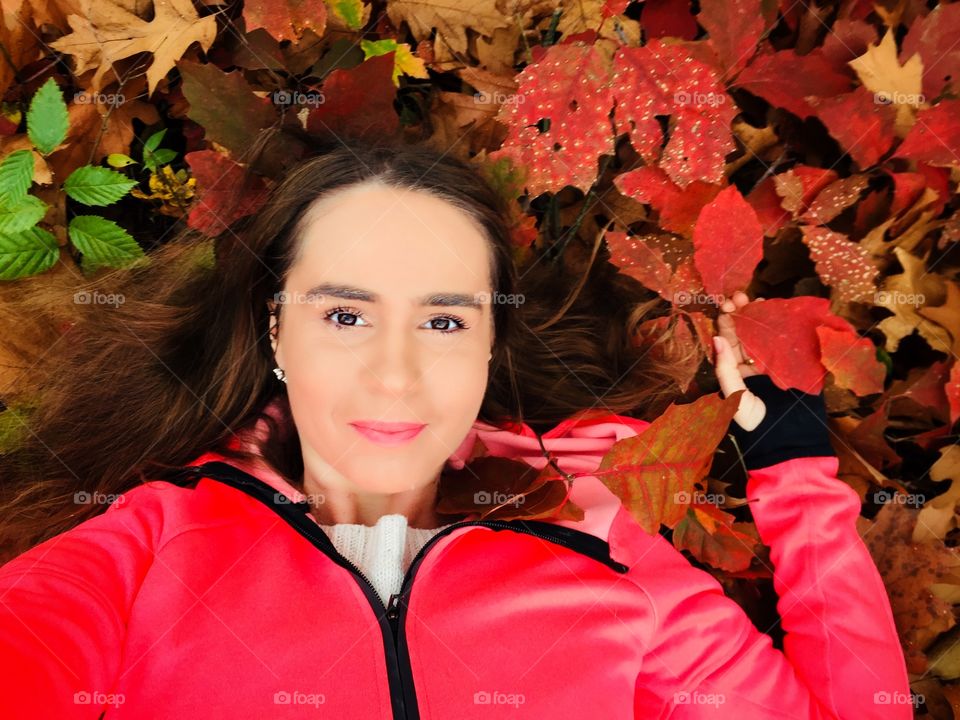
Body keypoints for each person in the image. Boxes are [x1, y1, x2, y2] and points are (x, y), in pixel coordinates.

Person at [0, 137, 911, 718]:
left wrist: (794, 475)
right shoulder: (147, 550)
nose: (394, 374)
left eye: (443, 321)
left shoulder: (598, 546)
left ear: (489, 345)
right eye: (345, 315)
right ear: (274, 327)